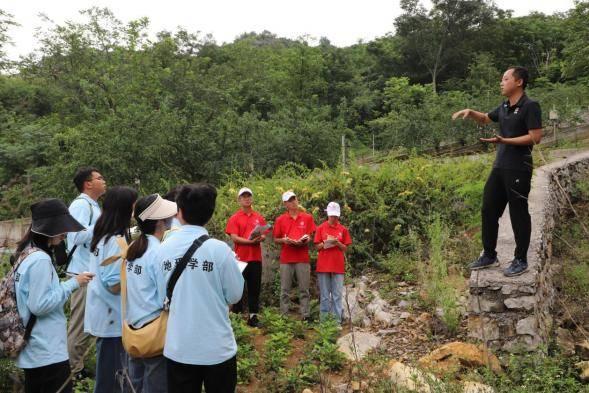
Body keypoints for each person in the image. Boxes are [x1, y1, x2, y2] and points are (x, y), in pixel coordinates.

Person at [452, 66, 542, 277]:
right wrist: (471, 112)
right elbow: (485, 118)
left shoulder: (530, 106)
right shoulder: (503, 106)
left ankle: (520, 259)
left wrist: (505, 141)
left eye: (505, 79)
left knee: (518, 212)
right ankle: (490, 255)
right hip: (500, 166)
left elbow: (535, 137)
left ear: (518, 82)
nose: (501, 82)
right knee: (488, 209)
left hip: (519, 167)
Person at [157, 184, 244, 393]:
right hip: (217, 348)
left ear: (179, 212)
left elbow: (162, 296)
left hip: (179, 347)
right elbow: (235, 294)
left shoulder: (163, 248)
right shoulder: (220, 250)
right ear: (210, 214)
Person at [14, 199, 94, 393]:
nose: (66, 232)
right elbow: (39, 305)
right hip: (46, 350)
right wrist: (74, 283)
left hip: (35, 349)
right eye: (62, 227)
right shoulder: (40, 260)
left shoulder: (26, 254)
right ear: (50, 229)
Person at [85, 186, 138, 393]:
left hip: (103, 312)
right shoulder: (116, 240)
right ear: (125, 208)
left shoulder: (103, 235)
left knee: (109, 373)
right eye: (133, 205)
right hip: (112, 317)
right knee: (113, 378)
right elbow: (114, 284)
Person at [124, 194, 177, 393]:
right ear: (160, 222)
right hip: (154, 333)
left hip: (134, 329)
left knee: (134, 385)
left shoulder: (133, 249)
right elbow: (165, 298)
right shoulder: (159, 252)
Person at [66, 167, 106, 378]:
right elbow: (76, 237)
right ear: (87, 184)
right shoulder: (81, 205)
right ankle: (73, 372)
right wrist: (102, 225)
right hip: (81, 274)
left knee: (88, 322)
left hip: (90, 272)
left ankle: (78, 367)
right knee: (79, 323)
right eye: (99, 178)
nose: (104, 181)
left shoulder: (93, 206)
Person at [225, 187, 268, 327]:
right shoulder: (235, 218)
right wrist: (250, 241)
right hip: (240, 259)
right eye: (243, 196)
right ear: (239, 200)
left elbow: (264, 234)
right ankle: (236, 317)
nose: (246, 198)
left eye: (248, 196)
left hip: (255, 258)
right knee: (237, 288)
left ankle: (253, 317)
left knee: (254, 288)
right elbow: (234, 238)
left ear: (252, 198)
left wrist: (260, 237)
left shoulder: (258, 217)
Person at [273, 191, 316, 321]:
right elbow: (276, 239)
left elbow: (311, 234)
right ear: (285, 204)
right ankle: (284, 316)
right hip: (286, 258)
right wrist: (285, 240)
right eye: (289, 200)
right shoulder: (280, 219)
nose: (293, 202)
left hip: (302, 257)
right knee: (285, 290)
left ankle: (305, 315)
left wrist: (307, 239)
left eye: (294, 199)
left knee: (304, 289)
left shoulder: (307, 217)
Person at [314, 202, 352, 323]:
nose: (334, 218)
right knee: (325, 296)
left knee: (337, 295)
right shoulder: (321, 228)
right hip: (324, 265)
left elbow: (346, 248)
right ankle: (324, 322)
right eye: (332, 216)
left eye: (336, 216)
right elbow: (316, 246)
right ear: (328, 215)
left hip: (338, 265)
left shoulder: (343, 229)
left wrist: (337, 243)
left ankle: (336, 322)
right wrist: (326, 243)